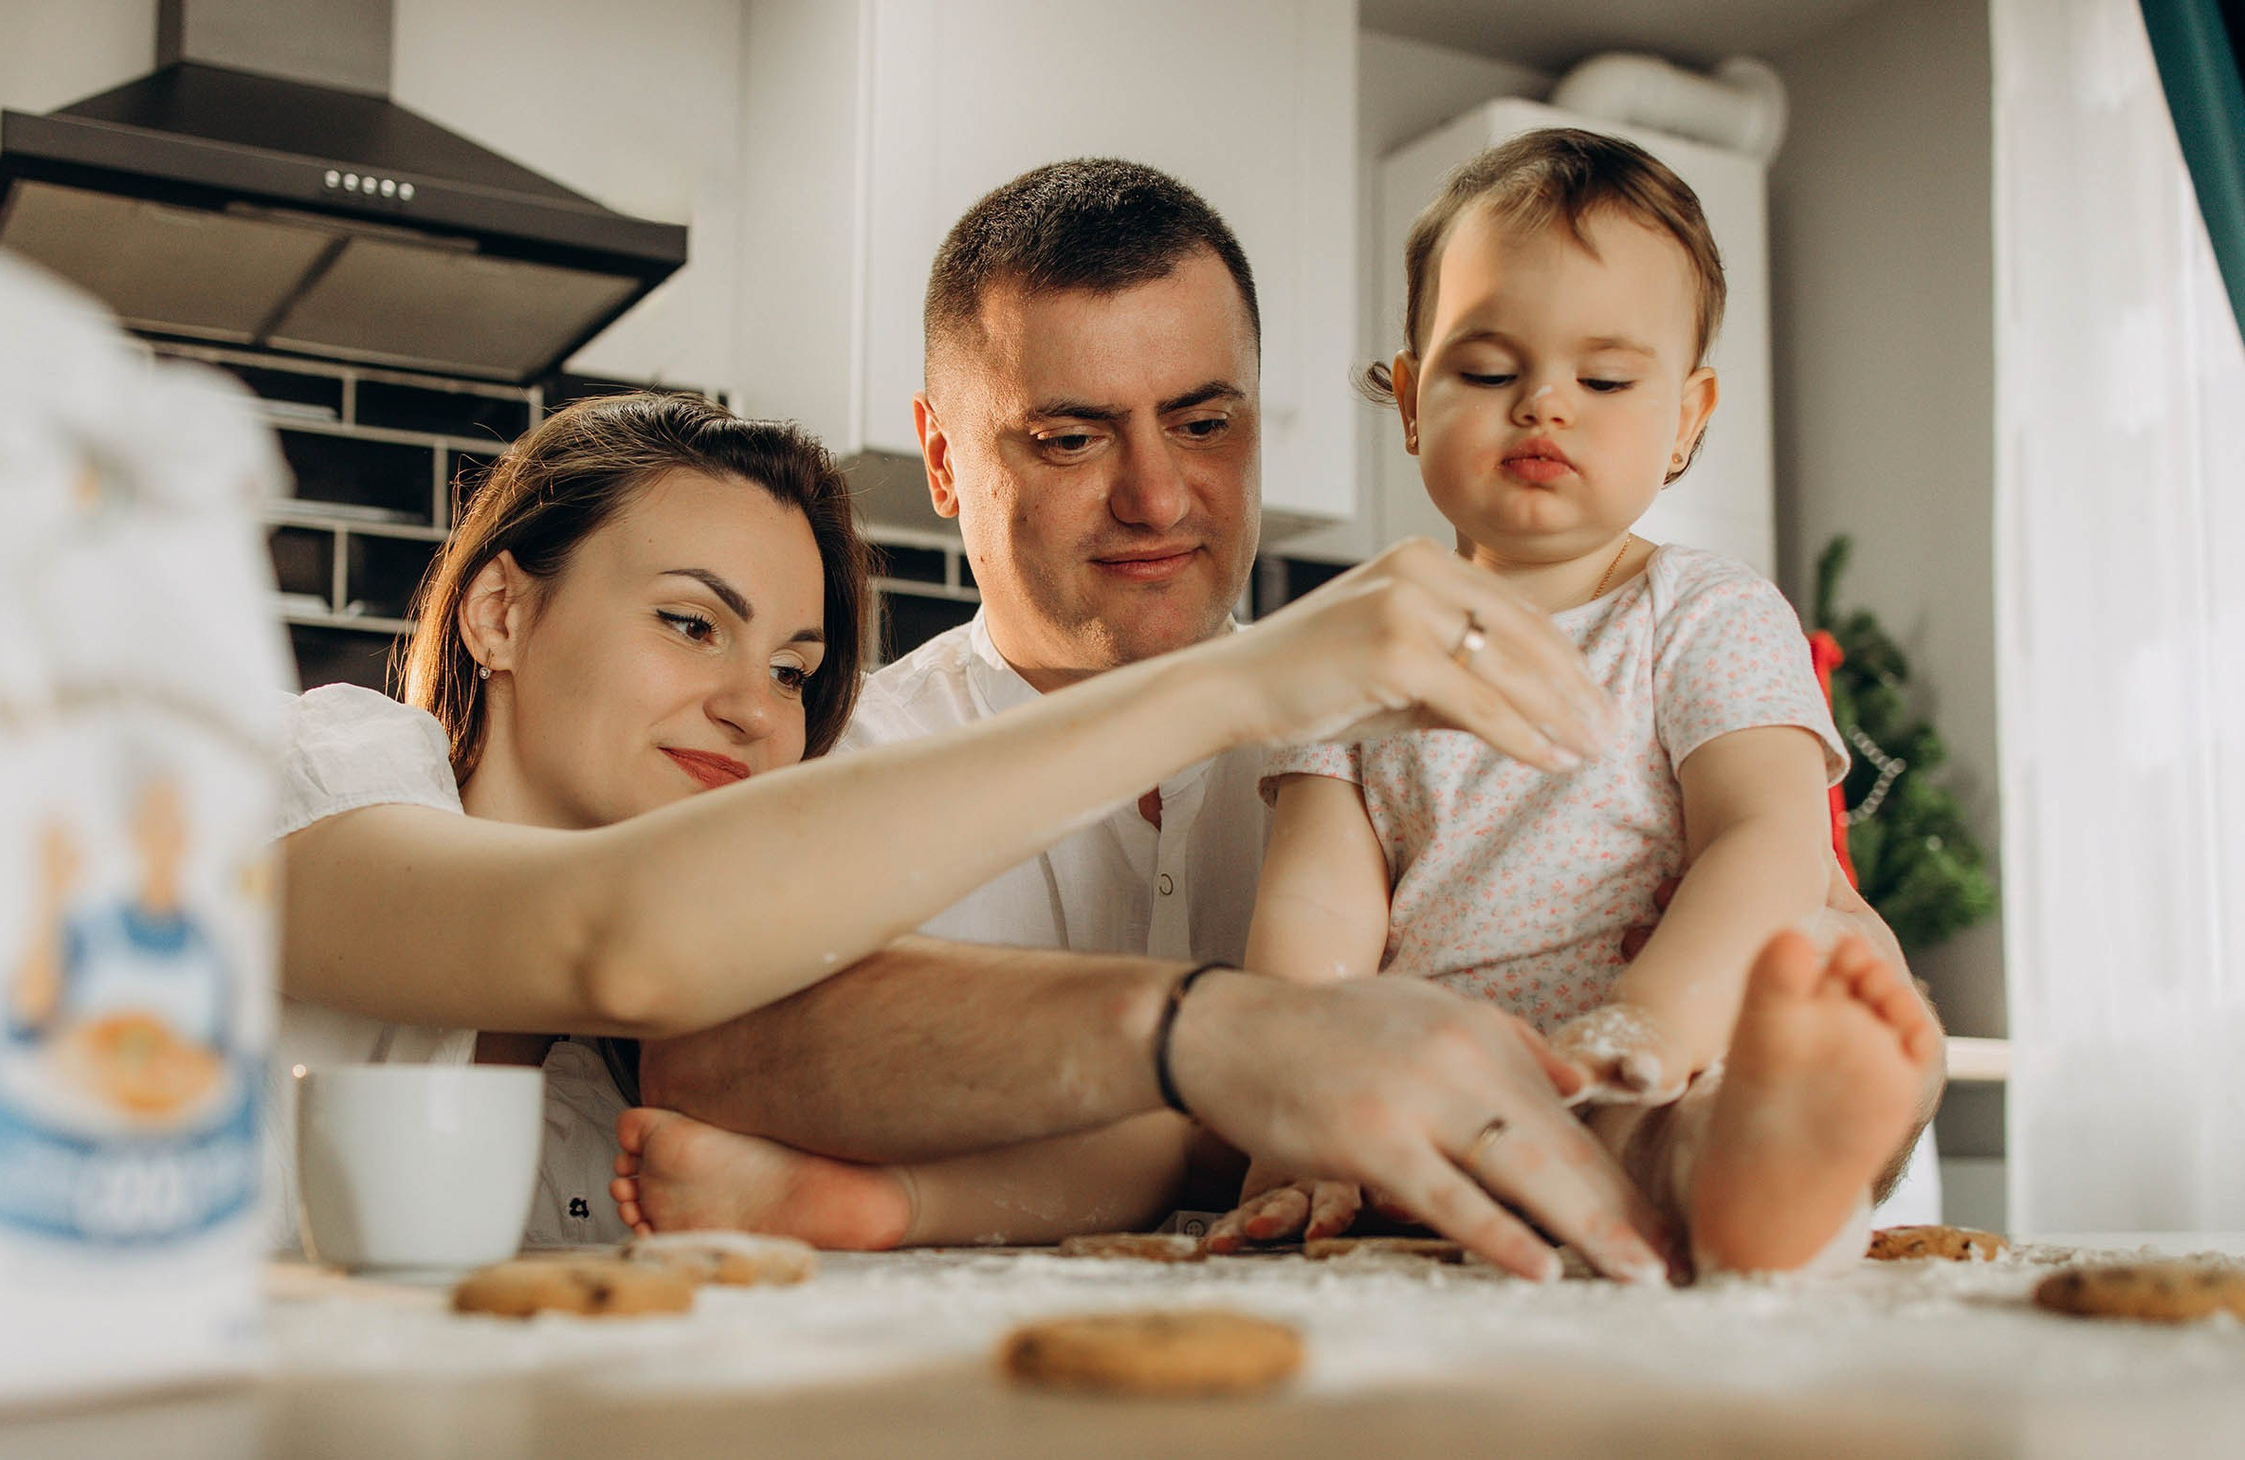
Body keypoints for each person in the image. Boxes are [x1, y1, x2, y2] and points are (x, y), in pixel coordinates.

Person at [615, 157, 1945, 1281]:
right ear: (944, 450)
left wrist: (1776, 1010)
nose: (1155, 496)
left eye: (1204, 422)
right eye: (1071, 439)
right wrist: (1263, 1079)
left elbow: (1782, 897)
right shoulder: (852, 748)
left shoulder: (1443, 660)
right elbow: (704, 1036)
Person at [266, 390, 1655, 1259]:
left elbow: (1000, 1092)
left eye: (796, 670)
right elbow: (608, 932)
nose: (756, 712)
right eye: (692, 622)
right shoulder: (333, 767)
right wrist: (1236, 681)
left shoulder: (676, 1042)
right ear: (503, 610)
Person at [1243, 128, 1937, 1274]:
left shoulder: (1702, 611)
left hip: (1643, 1077)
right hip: (1440, 1096)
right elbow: (1315, 908)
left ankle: (1759, 1165)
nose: (1544, 406)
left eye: (1605, 379)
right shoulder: (1358, 639)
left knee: (1713, 1065)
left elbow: (1766, 837)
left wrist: (1648, 1027)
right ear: (1411, 400)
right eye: (1487, 371)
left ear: (1688, 417)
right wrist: (1295, 1112)